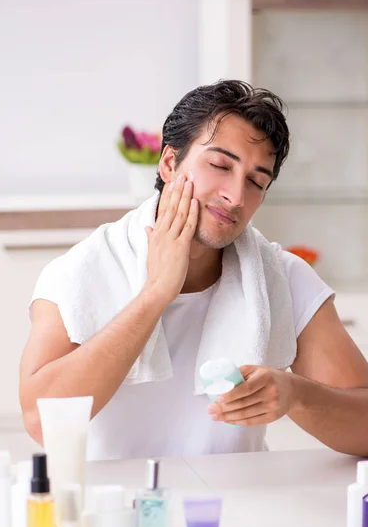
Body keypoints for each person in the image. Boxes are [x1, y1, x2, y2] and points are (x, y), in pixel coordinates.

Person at [20, 80, 368, 460]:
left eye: (256, 182)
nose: (235, 197)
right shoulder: (81, 271)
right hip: (117, 510)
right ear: (169, 163)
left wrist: (297, 394)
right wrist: (155, 293)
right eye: (219, 165)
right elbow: (41, 422)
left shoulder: (281, 278)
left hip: (234, 504)